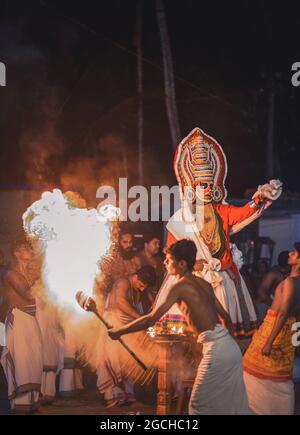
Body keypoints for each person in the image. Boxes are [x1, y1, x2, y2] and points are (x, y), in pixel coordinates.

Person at [159, 128, 283, 339]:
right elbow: (169, 251)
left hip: (222, 281)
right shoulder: (181, 218)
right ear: (192, 186)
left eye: (209, 184)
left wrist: (260, 196)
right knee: (187, 338)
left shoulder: (222, 210)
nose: (206, 189)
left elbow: (246, 212)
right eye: (201, 185)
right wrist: (191, 264)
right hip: (192, 279)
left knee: (221, 335)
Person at [109, 239, 251, 415]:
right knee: (230, 408)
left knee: (198, 407)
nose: (165, 262)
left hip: (217, 350)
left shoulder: (179, 287)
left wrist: (119, 331)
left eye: (169, 259)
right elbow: (226, 318)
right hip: (229, 348)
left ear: (182, 264)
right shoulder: (204, 284)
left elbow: (150, 320)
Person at [243, 242, 300, 415]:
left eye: (294, 252)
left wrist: (268, 342)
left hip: (276, 329)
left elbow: (282, 314)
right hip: (287, 329)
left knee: (250, 368)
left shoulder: (291, 282)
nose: (290, 253)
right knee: (279, 375)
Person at [95, 265, 156, 407]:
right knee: (112, 362)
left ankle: (127, 398)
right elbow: (120, 302)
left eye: (144, 287)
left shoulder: (138, 288)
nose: (141, 289)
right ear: (136, 277)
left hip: (125, 329)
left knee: (127, 363)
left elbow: (152, 302)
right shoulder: (123, 283)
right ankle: (111, 401)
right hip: (112, 326)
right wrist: (141, 319)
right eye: (141, 285)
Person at [0, 240, 43, 414]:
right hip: (19, 320)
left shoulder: (28, 273)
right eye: (26, 249)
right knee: (22, 363)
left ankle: (32, 403)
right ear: (17, 253)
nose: (30, 251)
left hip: (31, 320)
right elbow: (29, 295)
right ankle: (20, 406)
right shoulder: (11, 273)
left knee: (34, 360)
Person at [137, 233, 165, 313]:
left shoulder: (159, 260)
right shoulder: (137, 259)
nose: (158, 246)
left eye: (159, 243)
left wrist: (159, 297)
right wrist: (153, 301)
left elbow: (160, 280)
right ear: (146, 244)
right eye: (155, 243)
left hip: (157, 298)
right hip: (142, 300)